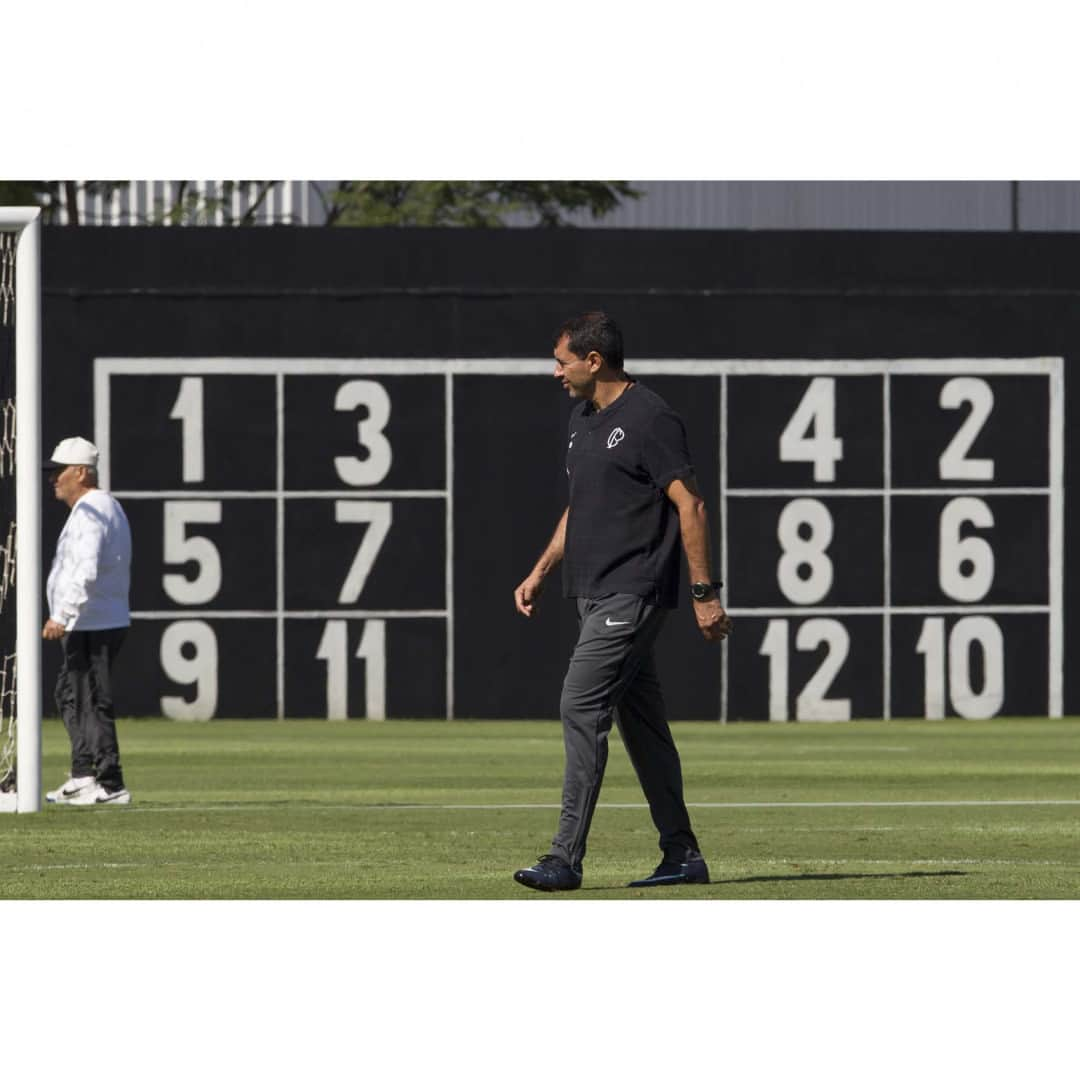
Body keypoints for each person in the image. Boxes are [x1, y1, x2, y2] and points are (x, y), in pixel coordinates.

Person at [512, 312, 732, 891]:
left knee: (580, 707)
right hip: (589, 591)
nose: (554, 371)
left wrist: (705, 594)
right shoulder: (581, 419)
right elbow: (581, 507)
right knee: (644, 728)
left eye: (561, 361)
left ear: (594, 360)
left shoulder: (651, 417)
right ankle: (683, 855)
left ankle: (564, 858)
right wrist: (540, 569)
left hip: (631, 592)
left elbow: (693, 506)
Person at [41, 437, 133, 806]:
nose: (53, 479)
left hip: (93, 621)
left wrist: (62, 614)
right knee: (69, 695)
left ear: (80, 472)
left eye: (58, 471)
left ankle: (111, 783)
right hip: (90, 621)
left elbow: (86, 569)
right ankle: (83, 774)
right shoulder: (91, 508)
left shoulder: (94, 510)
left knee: (91, 700)